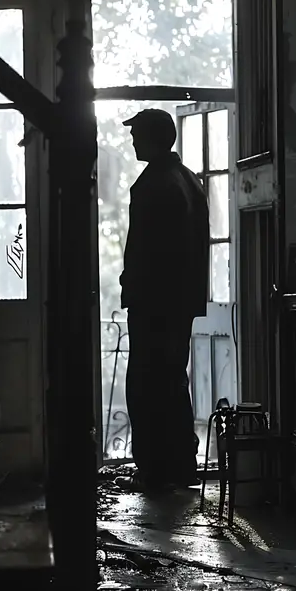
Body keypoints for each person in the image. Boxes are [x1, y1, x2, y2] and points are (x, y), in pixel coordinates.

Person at [119, 108, 209, 491]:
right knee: (173, 382)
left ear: (152, 137)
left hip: (154, 303)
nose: (132, 140)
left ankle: (154, 470)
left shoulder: (154, 185)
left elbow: (147, 250)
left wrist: (132, 285)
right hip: (178, 304)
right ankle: (181, 465)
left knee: (145, 385)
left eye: (136, 134)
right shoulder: (188, 181)